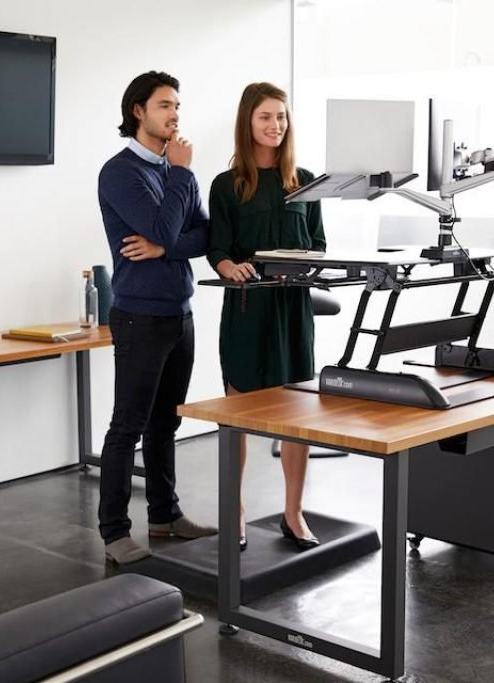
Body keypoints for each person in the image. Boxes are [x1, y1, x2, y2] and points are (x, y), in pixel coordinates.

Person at [96, 71, 216, 566]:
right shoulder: (121, 173)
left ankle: (165, 517)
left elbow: (204, 237)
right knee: (127, 425)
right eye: (165, 105)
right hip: (139, 317)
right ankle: (114, 532)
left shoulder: (172, 173)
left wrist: (164, 247)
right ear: (137, 112)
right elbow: (161, 225)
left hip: (179, 312)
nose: (174, 115)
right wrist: (183, 176)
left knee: (166, 422)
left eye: (178, 107)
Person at [207, 82, 326, 552]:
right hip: (247, 309)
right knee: (237, 411)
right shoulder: (227, 185)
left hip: (293, 310)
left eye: (281, 116)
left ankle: (293, 513)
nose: (275, 125)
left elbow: (318, 245)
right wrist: (227, 267)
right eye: (265, 117)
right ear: (247, 122)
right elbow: (216, 247)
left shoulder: (307, 182)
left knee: (298, 415)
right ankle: (234, 513)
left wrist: (310, 265)